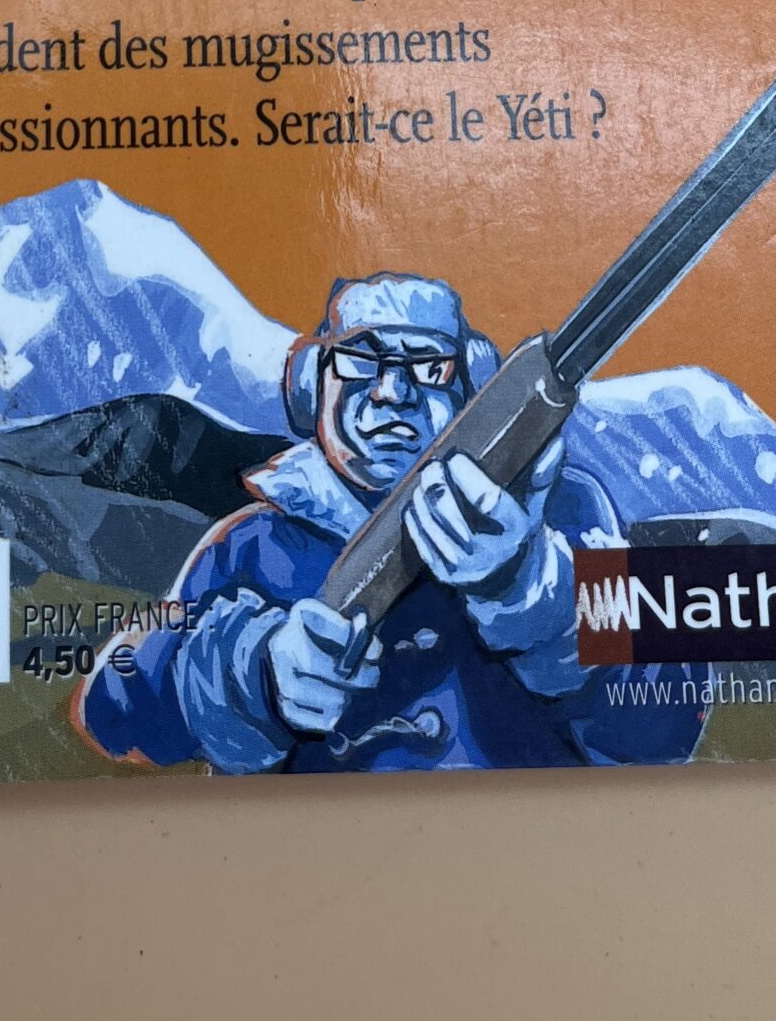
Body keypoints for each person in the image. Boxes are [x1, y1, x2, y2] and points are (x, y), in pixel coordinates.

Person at [75, 273, 704, 772]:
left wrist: (542, 599)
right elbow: (115, 707)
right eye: (361, 361)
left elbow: (666, 727)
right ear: (311, 386)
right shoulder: (252, 541)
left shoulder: (565, 516)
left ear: (472, 391)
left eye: (429, 368)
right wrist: (255, 671)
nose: (392, 393)